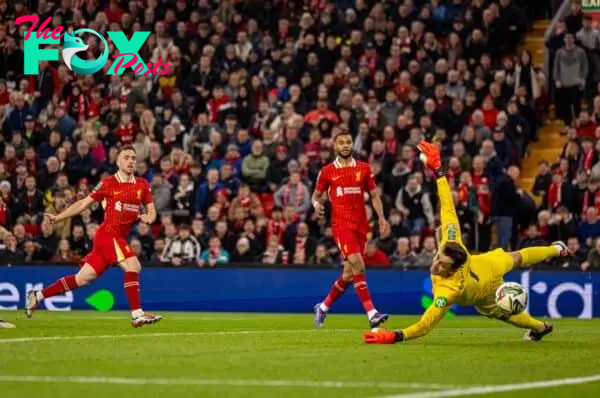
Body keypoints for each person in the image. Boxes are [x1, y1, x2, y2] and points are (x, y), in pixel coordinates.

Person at [364, 141, 570, 344]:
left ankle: (541, 316)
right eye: (438, 259)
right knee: (516, 261)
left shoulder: (448, 291)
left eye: (441, 264)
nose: (435, 264)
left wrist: (396, 336)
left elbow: (425, 324)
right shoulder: (451, 241)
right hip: (486, 267)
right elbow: (447, 205)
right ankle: (555, 257)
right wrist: (438, 171)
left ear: (453, 268)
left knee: (507, 298)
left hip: (483, 287)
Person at [26, 146, 162, 328]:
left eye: (133, 158)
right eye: (127, 157)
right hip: (107, 235)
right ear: (118, 161)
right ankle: (137, 314)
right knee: (133, 266)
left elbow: (152, 212)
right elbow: (83, 204)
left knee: (83, 279)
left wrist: (147, 217)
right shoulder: (108, 183)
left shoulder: (142, 184)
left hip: (116, 239)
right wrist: (58, 217)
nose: (131, 161)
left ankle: (38, 295)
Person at [312, 130, 390, 328]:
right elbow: (316, 196)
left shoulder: (364, 168)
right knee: (359, 264)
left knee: (349, 275)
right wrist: (317, 205)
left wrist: (381, 218)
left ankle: (323, 307)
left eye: (348, 142)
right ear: (335, 146)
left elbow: (373, 195)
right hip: (341, 225)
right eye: (341, 143)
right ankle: (372, 313)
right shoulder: (327, 171)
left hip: (361, 226)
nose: (346, 145)